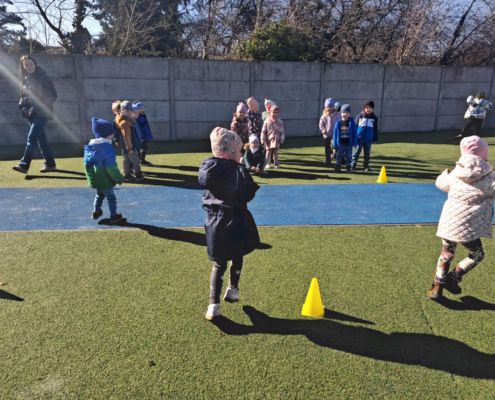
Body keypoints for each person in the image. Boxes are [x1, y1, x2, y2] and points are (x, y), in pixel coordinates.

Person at [199, 127, 260, 320]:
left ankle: (213, 305)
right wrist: (242, 169)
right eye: (239, 151)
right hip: (236, 218)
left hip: (214, 221)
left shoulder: (209, 167)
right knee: (237, 252)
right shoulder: (237, 170)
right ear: (231, 151)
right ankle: (233, 288)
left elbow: (205, 185)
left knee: (219, 262)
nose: (241, 154)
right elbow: (248, 193)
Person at [427, 136, 495, 299]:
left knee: (447, 252)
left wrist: (444, 174)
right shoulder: (489, 177)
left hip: (450, 221)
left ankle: (437, 287)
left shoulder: (457, 173)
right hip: (471, 226)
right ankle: (454, 276)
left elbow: (442, 184)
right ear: (484, 154)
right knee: (477, 254)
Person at [13, 55, 57, 174]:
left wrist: (40, 106)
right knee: (41, 140)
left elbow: (53, 95)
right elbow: (24, 97)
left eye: (31, 64)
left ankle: (24, 165)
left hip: (41, 114)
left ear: (35, 64)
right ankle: (50, 164)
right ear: (23, 67)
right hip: (30, 114)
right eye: (26, 65)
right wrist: (23, 107)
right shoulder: (25, 80)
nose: (29, 66)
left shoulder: (43, 78)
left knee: (31, 137)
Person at [84, 117, 126, 225]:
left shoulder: (90, 147)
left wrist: (91, 179)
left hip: (96, 179)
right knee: (111, 197)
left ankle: (96, 211)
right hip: (105, 179)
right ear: (106, 134)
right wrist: (119, 178)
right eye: (111, 133)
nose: (113, 135)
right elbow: (111, 167)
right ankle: (114, 216)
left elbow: (87, 165)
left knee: (99, 194)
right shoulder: (106, 148)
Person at [115, 100, 143, 182]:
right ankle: (138, 175)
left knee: (126, 161)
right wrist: (130, 148)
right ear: (126, 112)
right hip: (130, 147)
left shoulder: (127, 121)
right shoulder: (125, 123)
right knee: (135, 161)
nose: (132, 113)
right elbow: (126, 136)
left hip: (126, 147)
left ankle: (127, 175)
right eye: (131, 111)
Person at [351, 100, 379, 172]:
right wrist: (353, 136)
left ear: (373, 109)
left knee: (367, 154)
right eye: (367, 108)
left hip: (368, 139)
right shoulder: (359, 116)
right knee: (356, 152)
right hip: (359, 138)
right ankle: (353, 165)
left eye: (370, 108)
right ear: (364, 108)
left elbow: (375, 129)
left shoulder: (374, 118)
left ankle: (366, 166)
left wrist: (375, 138)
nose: (368, 109)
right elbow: (354, 127)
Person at [333, 104, 357, 172]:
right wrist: (335, 144)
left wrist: (354, 142)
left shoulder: (352, 123)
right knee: (339, 155)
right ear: (341, 113)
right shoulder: (338, 123)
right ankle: (338, 166)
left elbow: (355, 133)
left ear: (349, 114)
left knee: (349, 156)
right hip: (340, 143)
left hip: (348, 143)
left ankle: (348, 166)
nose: (345, 114)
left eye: (347, 112)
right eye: (343, 112)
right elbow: (335, 135)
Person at [261, 101, 285, 169]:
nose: (275, 114)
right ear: (270, 112)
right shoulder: (267, 121)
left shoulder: (280, 122)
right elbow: (263, 131)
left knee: (276, 152)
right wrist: (263, 139)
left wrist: (282, 138)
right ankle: (267, 163)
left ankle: (276, 164)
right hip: (268, 139)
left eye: (277, 112)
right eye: (273, 112)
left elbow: (282, 131)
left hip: (277, 139)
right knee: (268, 152)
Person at [319, 97, 340, 166]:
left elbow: (340, 121)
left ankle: (335, 155)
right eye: (328, 107)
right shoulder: (324, 116)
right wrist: (324, 131)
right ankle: (328, 159)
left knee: (336, 146)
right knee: (327, 148)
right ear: (325, 107)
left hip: (335, 134)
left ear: (333, 107)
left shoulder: (337, 114)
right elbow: (321, 125)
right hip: (326, 135)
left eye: (331, 107)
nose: (329, 108)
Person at [132, 101, 154, 166]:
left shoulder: (142, 115)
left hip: (145, 134)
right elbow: (138, 127)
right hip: (141, 135)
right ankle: (140, 161)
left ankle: (142, 160)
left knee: (144, 147)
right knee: (141, 148)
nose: (143, 109)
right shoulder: (137, 116)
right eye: (141, 108)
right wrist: (141, 136)